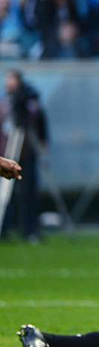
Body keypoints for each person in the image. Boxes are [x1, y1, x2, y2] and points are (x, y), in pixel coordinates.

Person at [0, 70, 48, 243]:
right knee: (5, 194)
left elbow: (41, 121)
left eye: (11, 79)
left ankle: (30, 230)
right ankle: (4, 229)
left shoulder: (30, 103)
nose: (8, 83)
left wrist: (43, 143)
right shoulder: (5, 103)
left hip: (26, 151)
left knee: (29, 192)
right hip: (7, 153)